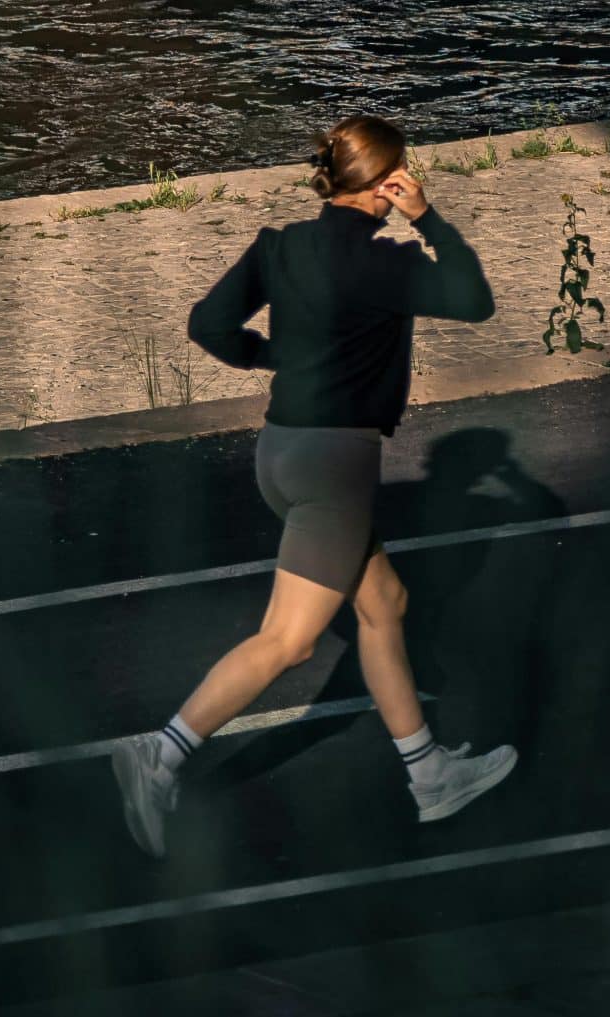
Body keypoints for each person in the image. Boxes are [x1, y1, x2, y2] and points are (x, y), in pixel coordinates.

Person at [110, 115, 517, 858]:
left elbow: (207, 324)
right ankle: (161, 753)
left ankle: (431, 777)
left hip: (280, 452)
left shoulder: (280, 245)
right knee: (289, 641)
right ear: (388, 179)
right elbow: (473, 298)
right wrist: (427, 217)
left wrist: (266, 355)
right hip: (335, 467)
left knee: (383, 603)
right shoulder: (387, 261)